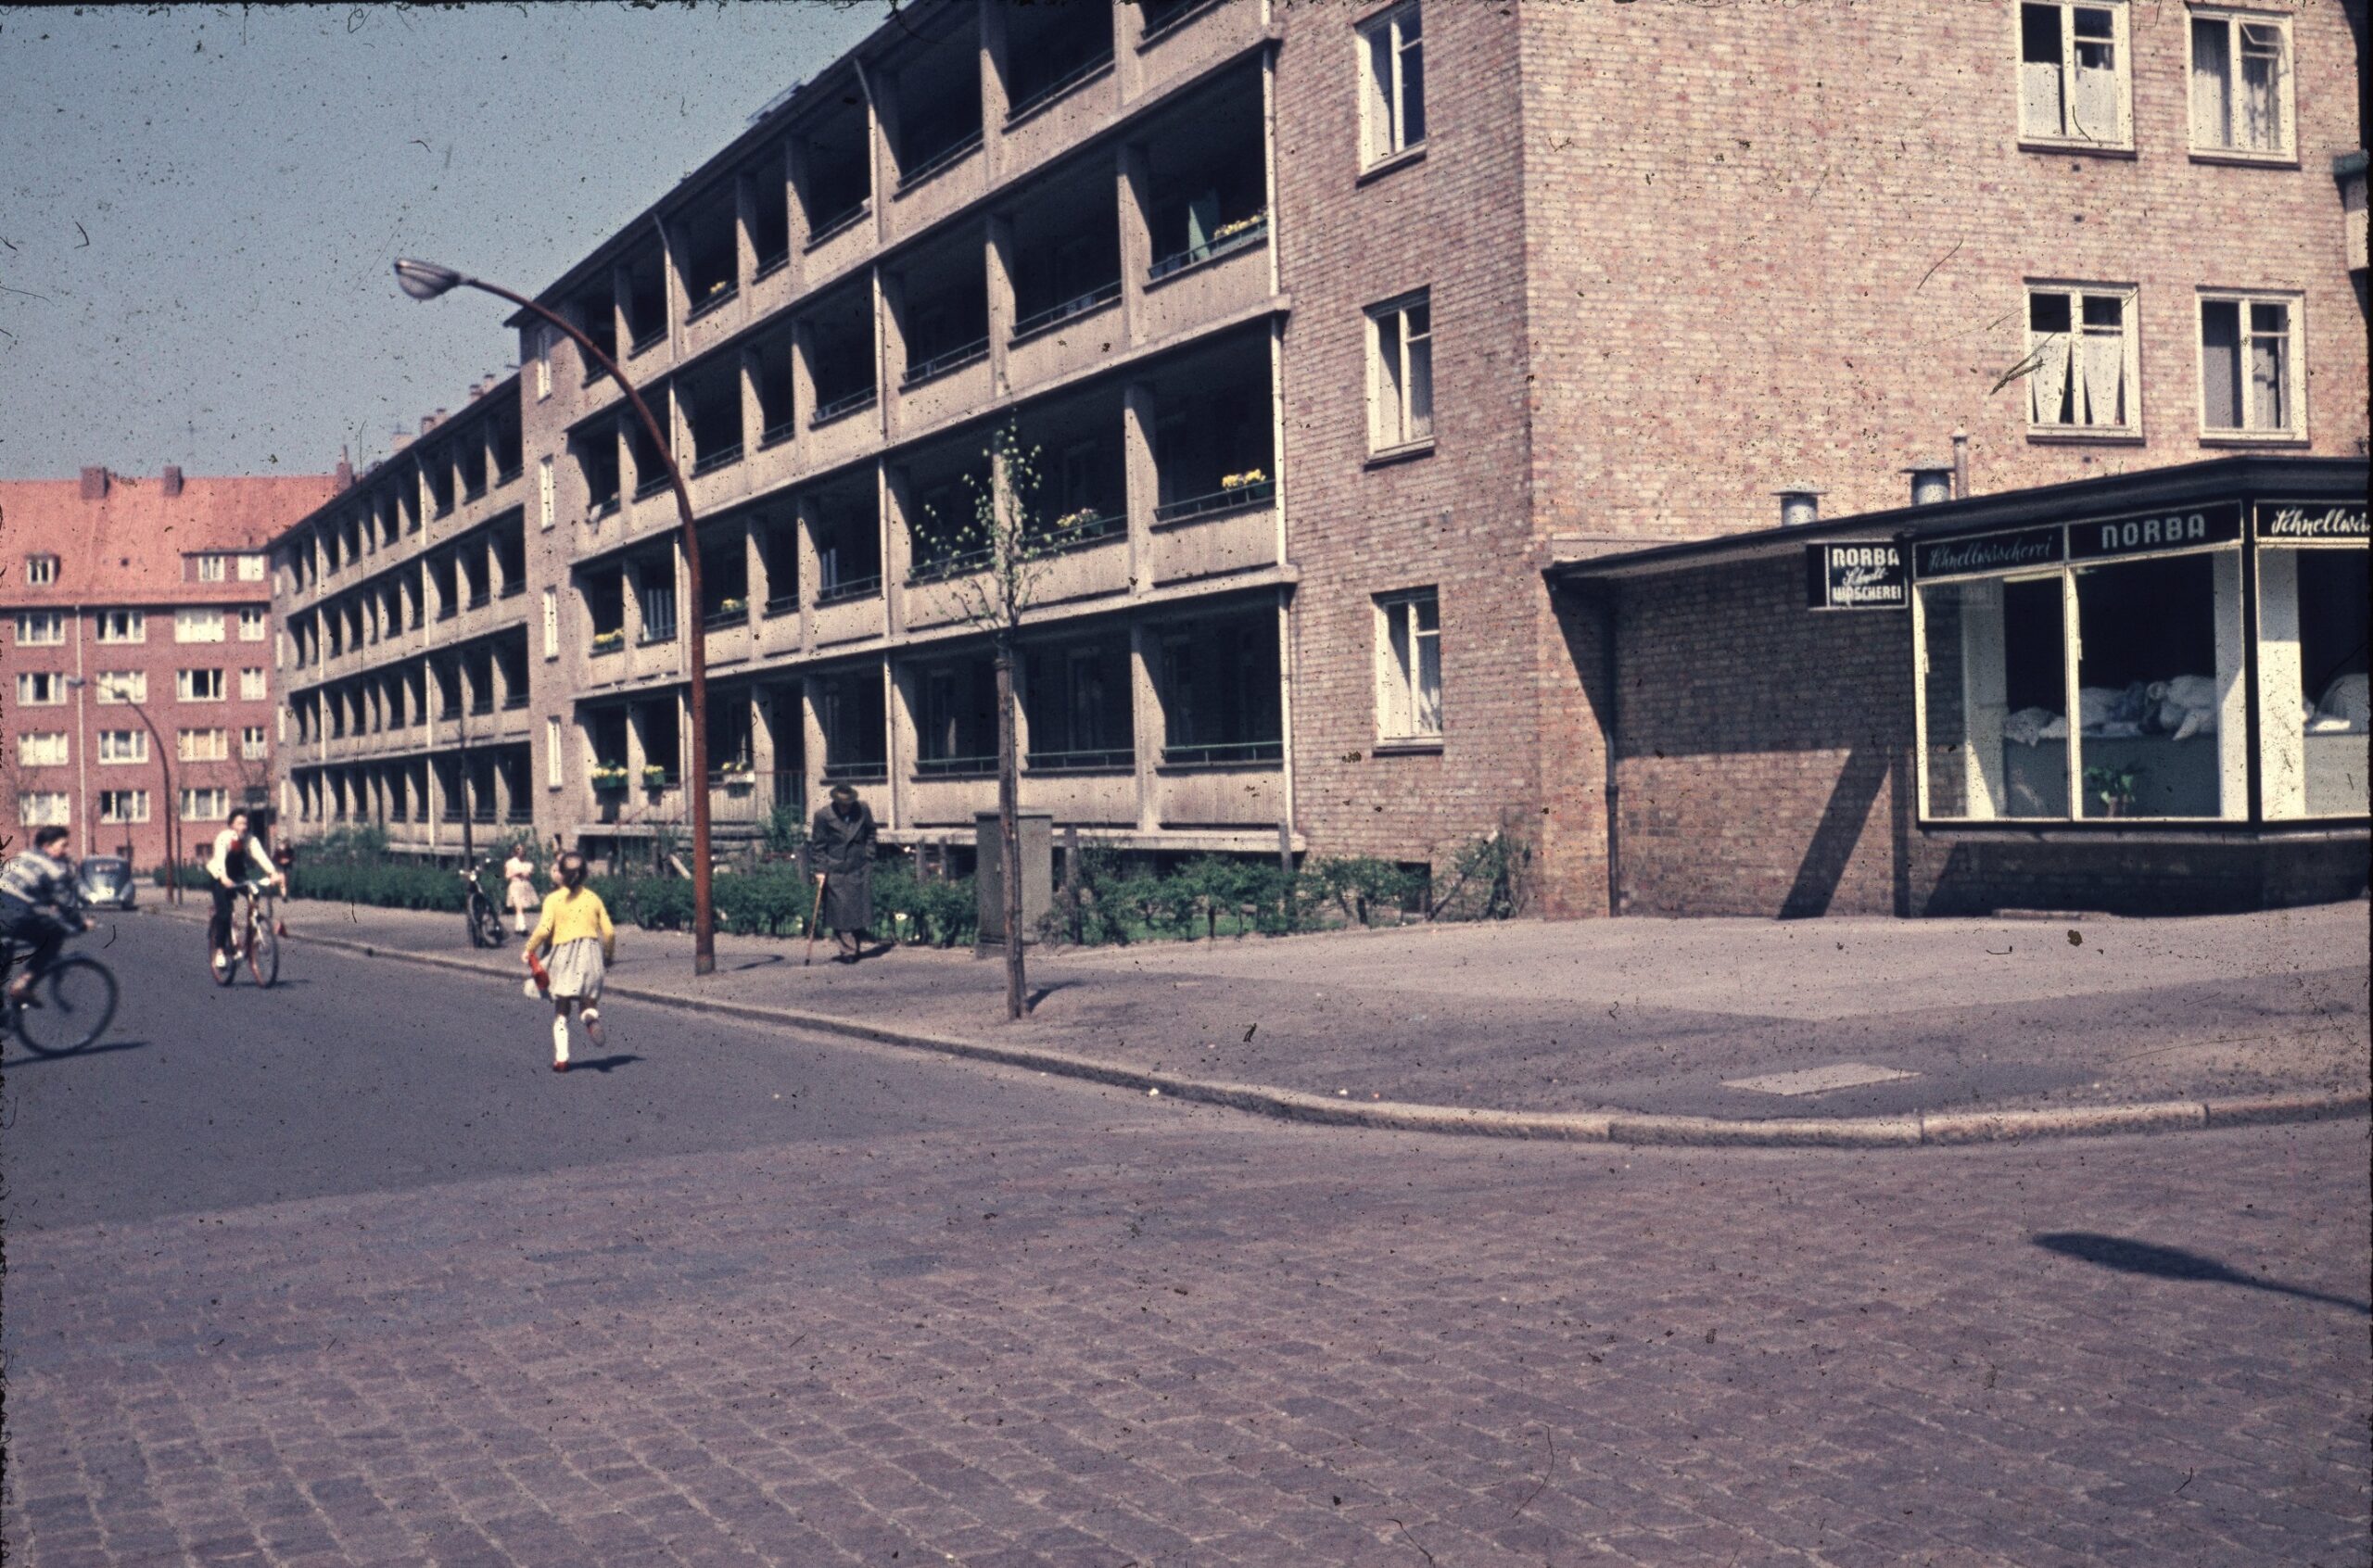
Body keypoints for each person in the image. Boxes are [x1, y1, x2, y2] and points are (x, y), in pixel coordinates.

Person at [522, 852, 615, 1073]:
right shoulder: (593, 898)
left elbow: (544, 930)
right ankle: (590, 1019)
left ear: (561, 875)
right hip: (591, 954)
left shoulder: (554, 899)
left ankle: (561, 1059)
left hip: (563, 956)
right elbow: (609, 933)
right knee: (587, 1001)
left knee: (561, 1009)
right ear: (585, 875)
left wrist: (529, 949)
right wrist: (607, 957)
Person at [2, 826, 87, 1007]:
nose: (67, 850)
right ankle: (23, 984)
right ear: (47, 846)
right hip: (13, 912)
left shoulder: (24, 856)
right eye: (63, 845)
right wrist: (80, 924)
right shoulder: (53, 869)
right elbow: (66, 904)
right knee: (53, 937)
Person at [207, 808, 287, 978]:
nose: (243, 827)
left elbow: (261, 856)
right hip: (220, 876)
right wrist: (223, 877)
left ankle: (254, 923)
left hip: (238, 875)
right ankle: (220, 951)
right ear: (231, 825)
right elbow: (220, 857)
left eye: (245, 823)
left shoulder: (250, 840)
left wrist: (272, 873)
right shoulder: (224, 838)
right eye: (239, 823)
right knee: (224, 913)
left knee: (255, 891)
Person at [808, 783, 878, 963]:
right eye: (842, 803)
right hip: (835, 868)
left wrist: (868, 853)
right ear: (835, 801)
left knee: (856, 909)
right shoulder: (823, 816)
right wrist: (820, 869)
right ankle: (848, 951)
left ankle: (853, 947)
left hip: (858, 866)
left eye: (848, 803)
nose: (845, 806)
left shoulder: (862, 809)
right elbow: (818, 846)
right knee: (839, 910)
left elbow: (871, 831)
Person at [501, 841, 540, 935]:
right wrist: (516, 873)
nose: (521, 851)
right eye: (518, 849)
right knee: (519, 907)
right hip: (515, 886)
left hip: (525, 886)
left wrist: (526, 873)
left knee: (521, 907)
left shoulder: (528, 864)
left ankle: (518, 928)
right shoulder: (510, 863)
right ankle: (523, 928)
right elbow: (507, 876)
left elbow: (529, 874)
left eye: (522, 849)